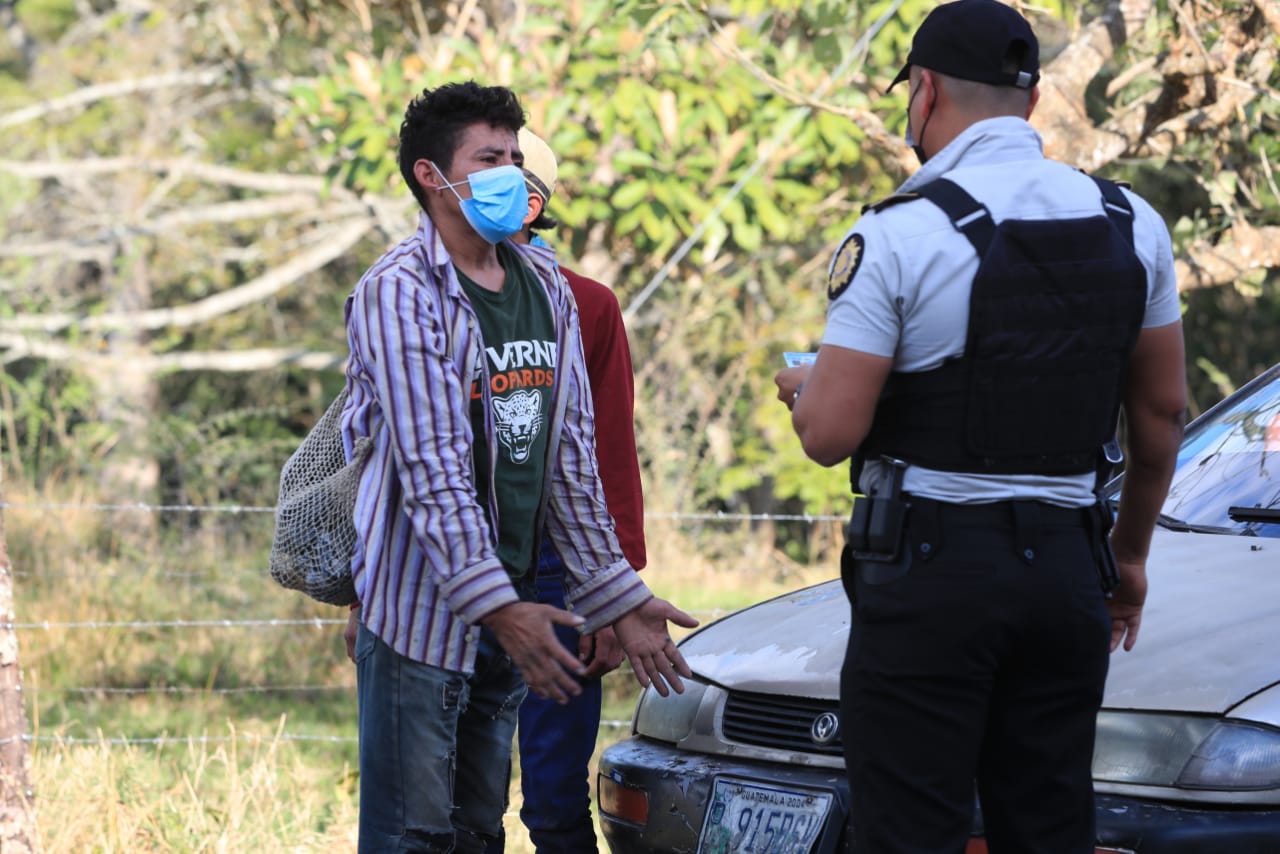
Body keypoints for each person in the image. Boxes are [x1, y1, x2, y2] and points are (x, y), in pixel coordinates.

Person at [773, 1, 1186, 851]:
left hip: (933, 576)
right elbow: (1161, 413)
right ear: (1031, 103)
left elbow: (829, 435)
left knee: (911, 828)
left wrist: (807, 387)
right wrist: (1130, 556)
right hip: (1071, 568)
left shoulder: (898, 232)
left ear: (923, 93)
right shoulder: (1131, 222)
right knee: (1047, 822)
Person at [340, 81, 695, 854]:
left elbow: (570, 458)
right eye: (488, 158)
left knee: (477, 831)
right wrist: (501, 610)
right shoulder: (399, 294)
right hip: (419, 615)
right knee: (414, 836)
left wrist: (617, 596)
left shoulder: (545, 290)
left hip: (512, 611)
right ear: (434, 177)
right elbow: (431, 470)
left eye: (513, 155)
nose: (509, 174)